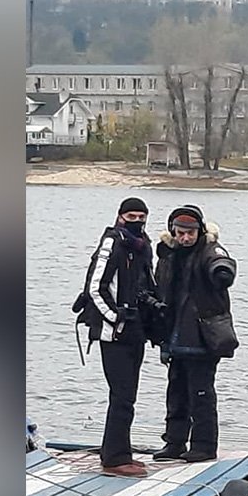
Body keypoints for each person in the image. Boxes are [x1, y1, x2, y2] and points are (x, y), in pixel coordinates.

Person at [74, 196, 163, 476]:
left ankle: (120, 451)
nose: (137, 222)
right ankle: (113, 458)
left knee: (128, 395)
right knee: (121, 395)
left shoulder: (141, 246)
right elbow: (95, 288)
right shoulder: (112, 243)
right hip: (114, 333)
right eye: (131, 217)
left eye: (141, 217)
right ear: (120, 216)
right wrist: (115, 317)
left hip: (135, 331)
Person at [152, 205, 238, 462]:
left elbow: (222, 263)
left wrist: (222, 272)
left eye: (190, 233)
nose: (185, 238)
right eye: (180, 233)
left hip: (204, 336)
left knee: (201, 394)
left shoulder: (210, 250)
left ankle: (204, 445)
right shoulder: (169, 256)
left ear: (199, 232)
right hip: (175, 334)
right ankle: (174, 442)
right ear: (173, 232)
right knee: (175, 393)